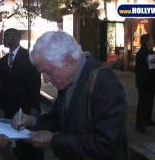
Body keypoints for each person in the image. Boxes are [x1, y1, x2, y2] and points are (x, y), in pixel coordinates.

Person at [12, 31, 128, 160]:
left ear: (68, 61)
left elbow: (105, 145)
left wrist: (54, 140)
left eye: (48, 72)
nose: (46, 80)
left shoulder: (105, 83)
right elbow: (58, 118)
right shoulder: (68, 81)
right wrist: (31, 121)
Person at [0, 28, 42, 160]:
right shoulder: (4, 60)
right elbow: (1, 86)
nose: (4, 39)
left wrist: (34, 109)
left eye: (7, 36)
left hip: (25, 108)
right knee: (9, 142)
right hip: (7, 110)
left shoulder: (29, 58)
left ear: (16, 38)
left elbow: (35, 86)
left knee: (26, 144)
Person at [135, 34, 155, 133]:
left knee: (149, 102)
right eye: (151, 39)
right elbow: (140, 70)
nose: (153, 41)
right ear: (147, 41)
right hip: (144, 82)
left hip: (151, 82)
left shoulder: (151, 52)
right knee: (143, 103)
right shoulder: (141, 53)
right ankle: (139, 123)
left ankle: (147, 120)